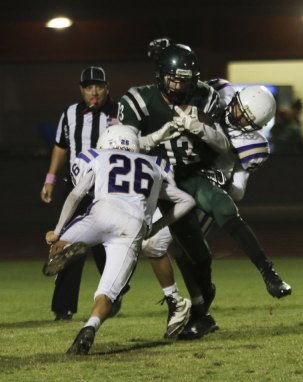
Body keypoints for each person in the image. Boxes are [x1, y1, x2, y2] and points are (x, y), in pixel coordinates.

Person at [119, 45, 292, 340]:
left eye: (246, 117)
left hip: (198, 178)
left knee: (207, 229)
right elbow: (179, 71)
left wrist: (202, 136)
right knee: (163, 246)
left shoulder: (250, 144)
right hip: (159, 178)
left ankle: (266, 272)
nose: (237, 116)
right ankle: (180, 302)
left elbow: (236, 187)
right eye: (237, 108)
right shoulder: (217, 93)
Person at [42, 124, 196, 355]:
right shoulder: (156, 165)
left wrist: (57, 230)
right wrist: (155, 227)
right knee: (108, 293)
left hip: (103, 211)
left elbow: (76, 194)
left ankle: (64, 251)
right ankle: (90, 326)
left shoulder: (98, 156)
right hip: (134, 225)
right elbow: (187, 201)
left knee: (57, 244)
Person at [119, 44, 230, 338]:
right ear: (161, 76)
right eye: (173, 79)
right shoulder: (138, 99)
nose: (179, 86)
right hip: (150, 186)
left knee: (190, 253)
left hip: (191, 184)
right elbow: (125, 146)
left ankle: (198, 306)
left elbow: (222, 147)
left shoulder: (205, 97)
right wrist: (156, 136)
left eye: (185, 79)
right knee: (157, 246)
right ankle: (181, 303)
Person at [40, 66, 118, 321]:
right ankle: (64, 309)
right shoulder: (70, 114)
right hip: (75, 188)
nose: (94, 91)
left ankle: (113, 296)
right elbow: (61, 147)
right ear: (81, 89)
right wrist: (50, 179)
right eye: (88, 87)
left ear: (107, 87)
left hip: (107, 191)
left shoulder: (120, 113)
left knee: (106, 248)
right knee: (68, 246)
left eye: (99, 86)